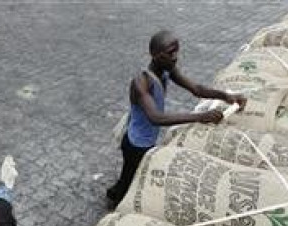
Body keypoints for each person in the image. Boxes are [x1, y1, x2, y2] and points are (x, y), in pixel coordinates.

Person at [106, 30, 247, 207]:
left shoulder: (167, 70)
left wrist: (225, 96)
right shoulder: (141, 82)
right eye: (170, 53)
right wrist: (200, 116)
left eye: (177, 51)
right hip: (136, 143)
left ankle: (117, 193)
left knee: (132, 174)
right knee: (130, 176)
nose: (175, 57)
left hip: (147, 137)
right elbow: (156, 118)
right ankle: (116, 200)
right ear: (155, 55)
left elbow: (196, 89)